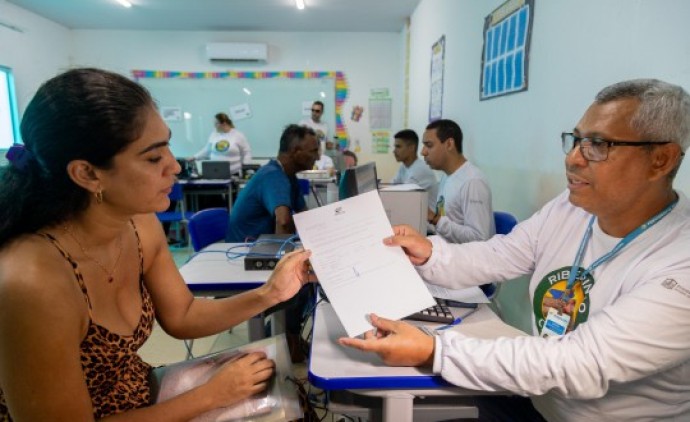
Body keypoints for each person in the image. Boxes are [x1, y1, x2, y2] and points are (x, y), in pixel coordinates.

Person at [339, 79, 690, 421]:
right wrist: (429, 252)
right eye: (576, 140)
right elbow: (499, 254)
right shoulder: (571, 209)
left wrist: (435, 350)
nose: (572, 159)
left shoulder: (680, 261)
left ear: (661, 159)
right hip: (538, 402)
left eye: (598, 145)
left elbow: (581, 362)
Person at [0, 68, 313, 421]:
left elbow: (182, 315)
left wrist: (270, 293)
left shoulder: (138, 222)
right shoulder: (32, 280)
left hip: (140, 394)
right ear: (87, 174)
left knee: (289, 395)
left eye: (167, 145)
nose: (174, 166)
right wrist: (211, 395)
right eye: (152, 157)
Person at [226, 124, 319, 243]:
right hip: (243, 250)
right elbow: (283, 222)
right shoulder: (273, 175)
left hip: (262, 246)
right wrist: (285, 258)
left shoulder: (289, 176)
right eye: (314, 151)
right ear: (296, 151)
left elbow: (305, 217)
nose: (318, 157)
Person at [422, 119, 495, 243]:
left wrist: (435, 219)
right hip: (446, 251)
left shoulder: (472, 182)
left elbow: (479, 238)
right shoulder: (447, 176)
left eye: (429, 145)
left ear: (449, 144)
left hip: (468, 259)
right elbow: (445, 224)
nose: (423, 152)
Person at [190, 112, 252, 176]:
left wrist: (246, 168)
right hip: (215, 171)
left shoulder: (238, 135)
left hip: (233, 173)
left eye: (216, 123)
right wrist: (194, 157)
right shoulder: (214, 134)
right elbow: (207, 150)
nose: (214, 126)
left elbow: (246, 152)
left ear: (224, 124)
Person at [391, 128, 439, 206]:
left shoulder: (420, 170)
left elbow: (400, 197)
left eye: (398, 147)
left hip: (427, 217)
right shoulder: (404, 166)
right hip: (413, 210)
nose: (394, 151)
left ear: (411, 148)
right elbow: (392, 187)